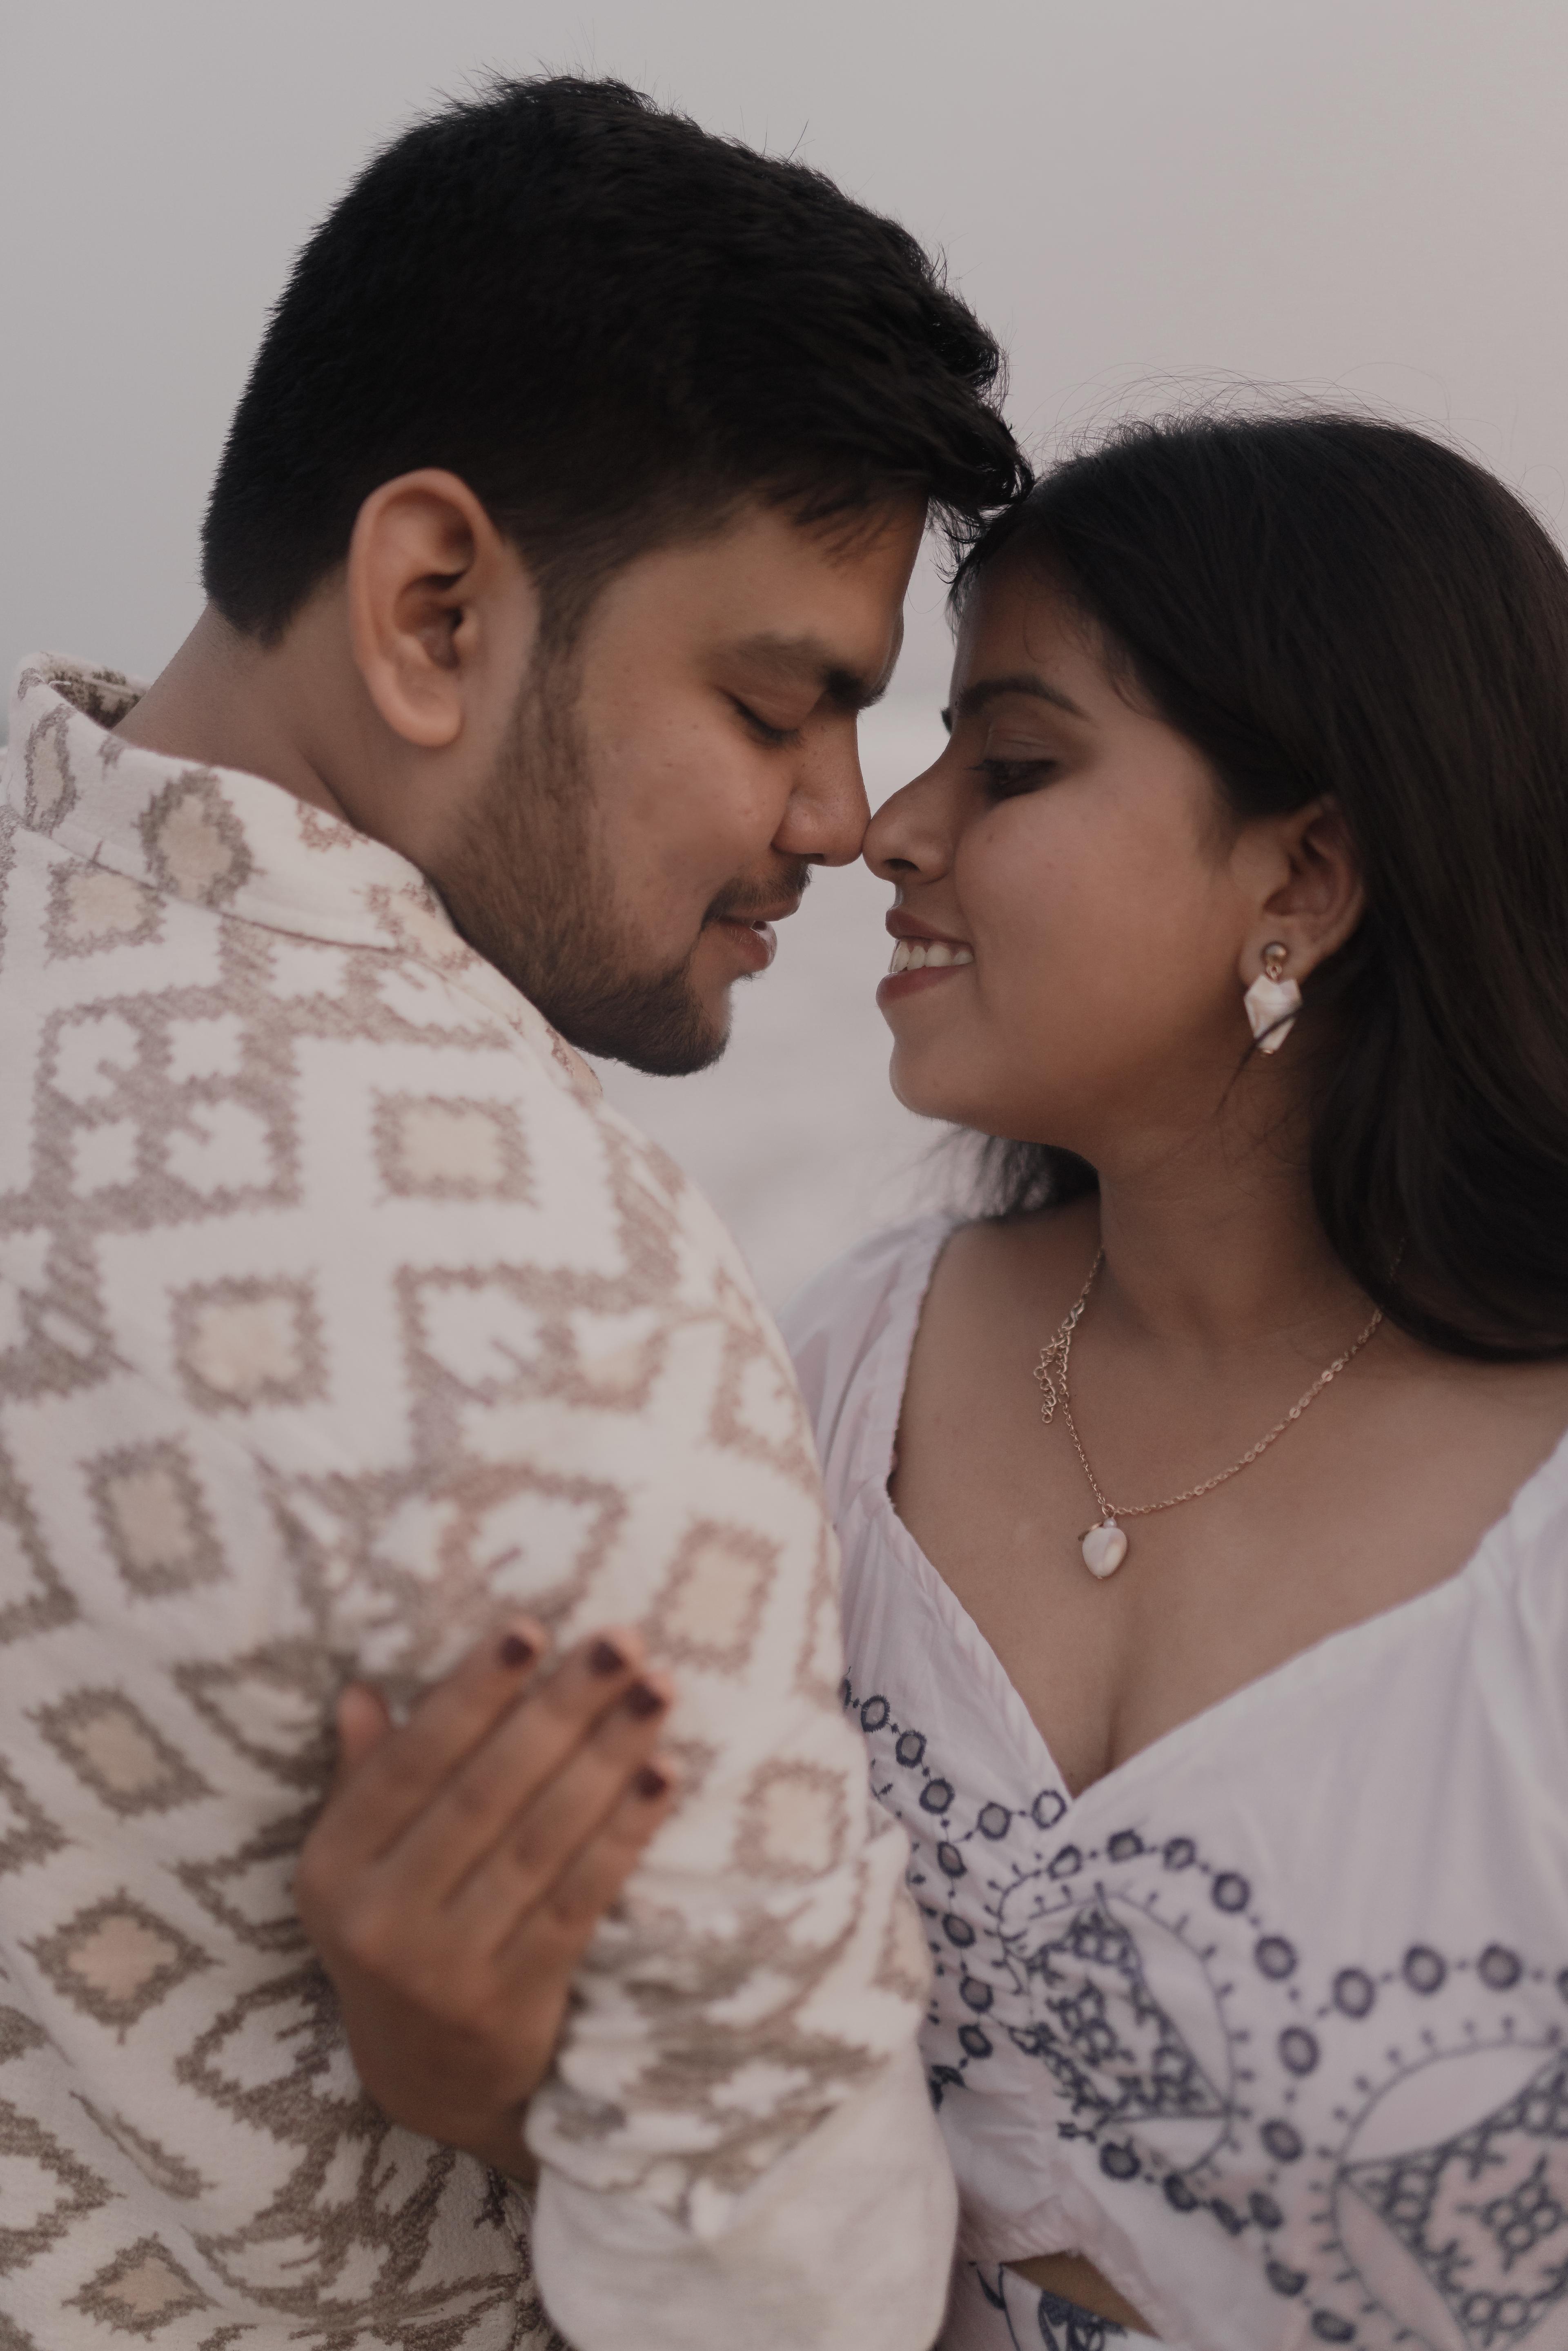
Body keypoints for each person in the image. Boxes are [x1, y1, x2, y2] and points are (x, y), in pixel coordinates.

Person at [298, 408, 1568, 2351]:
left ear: (1305, 870)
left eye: (1019, 763)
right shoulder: (830, 1373)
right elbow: (720, 2140)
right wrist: (463, 2061)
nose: (888, 825)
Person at [0, 73, 1029, 2351]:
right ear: (436, 604)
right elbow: (789, 2297)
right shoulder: (557, 1309)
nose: (847, 819)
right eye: (784, 702)